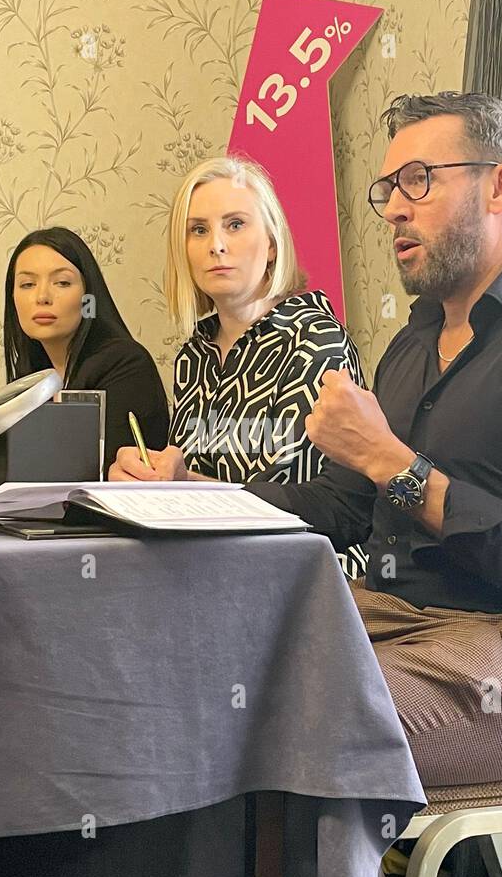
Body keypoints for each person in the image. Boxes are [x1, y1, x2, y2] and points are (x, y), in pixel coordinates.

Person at [126, 92, 502, 794]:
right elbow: (344, 510)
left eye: (419, 181)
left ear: (500, 185)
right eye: (388, 190)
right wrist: (194, 492)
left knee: (283, 723)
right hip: (399, 621)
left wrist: (391, 460)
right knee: (179, 673)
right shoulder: (412, 348)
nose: (395, 209)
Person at [108, 155, 367, 575]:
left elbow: (312, 509)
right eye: (198, 230)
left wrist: (185, 484)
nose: (216, 245)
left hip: (308, 575)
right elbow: (191, 478)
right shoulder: (193, 356)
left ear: (271, 244)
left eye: (235, 224)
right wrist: (143, 480)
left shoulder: (314, 340)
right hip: (207, 564)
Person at [2, 227, 168, 472]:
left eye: (62, 282)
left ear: (89, 299)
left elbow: (94, 470)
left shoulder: (126, 364)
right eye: (27, 284)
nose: (42, 296)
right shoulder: (31, 373)